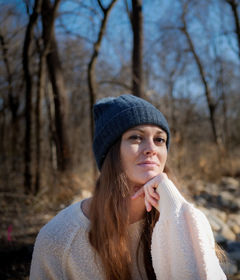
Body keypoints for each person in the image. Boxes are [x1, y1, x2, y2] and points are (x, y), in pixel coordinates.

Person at [30, 94, 227, 280]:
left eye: (159, 139)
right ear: (111, 152)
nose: (151, 148)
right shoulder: (58, 238)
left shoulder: (184, 220)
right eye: (136, 137)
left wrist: (176, 212)